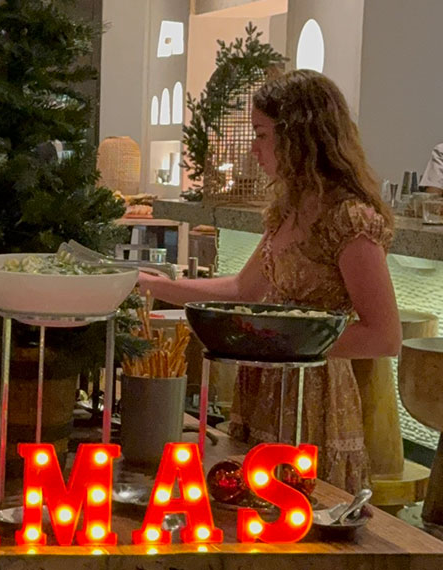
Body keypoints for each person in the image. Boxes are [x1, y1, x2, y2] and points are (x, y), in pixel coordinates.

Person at [138, 70, 401, 493]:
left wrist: (281, 344)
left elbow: (384, 336)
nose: (253, 149)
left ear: (299, 136)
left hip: (314, 394)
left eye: (261, 134)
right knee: (255, 512)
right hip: (266, 383)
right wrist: (153, 285)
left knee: (301, 518)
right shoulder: (288, 209)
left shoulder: (349, 218)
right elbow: (243, 291)